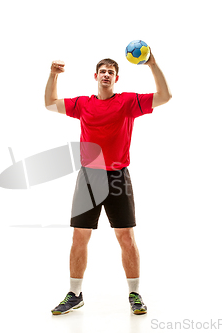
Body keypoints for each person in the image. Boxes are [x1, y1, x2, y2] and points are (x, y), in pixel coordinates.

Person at [44, 51, 171, 315]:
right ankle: (74, 294)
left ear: (116, 78)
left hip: (117, 178)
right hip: (89, 177)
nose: (106, 75)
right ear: (95, 76)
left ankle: (135, 294)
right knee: (79, 236)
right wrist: (53, 75)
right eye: (102, 71)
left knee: (126, 237)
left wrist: (153, 65)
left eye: (110, 72)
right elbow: (49, 103)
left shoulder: (127, 103)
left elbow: (164, 97)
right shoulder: (83, 104)